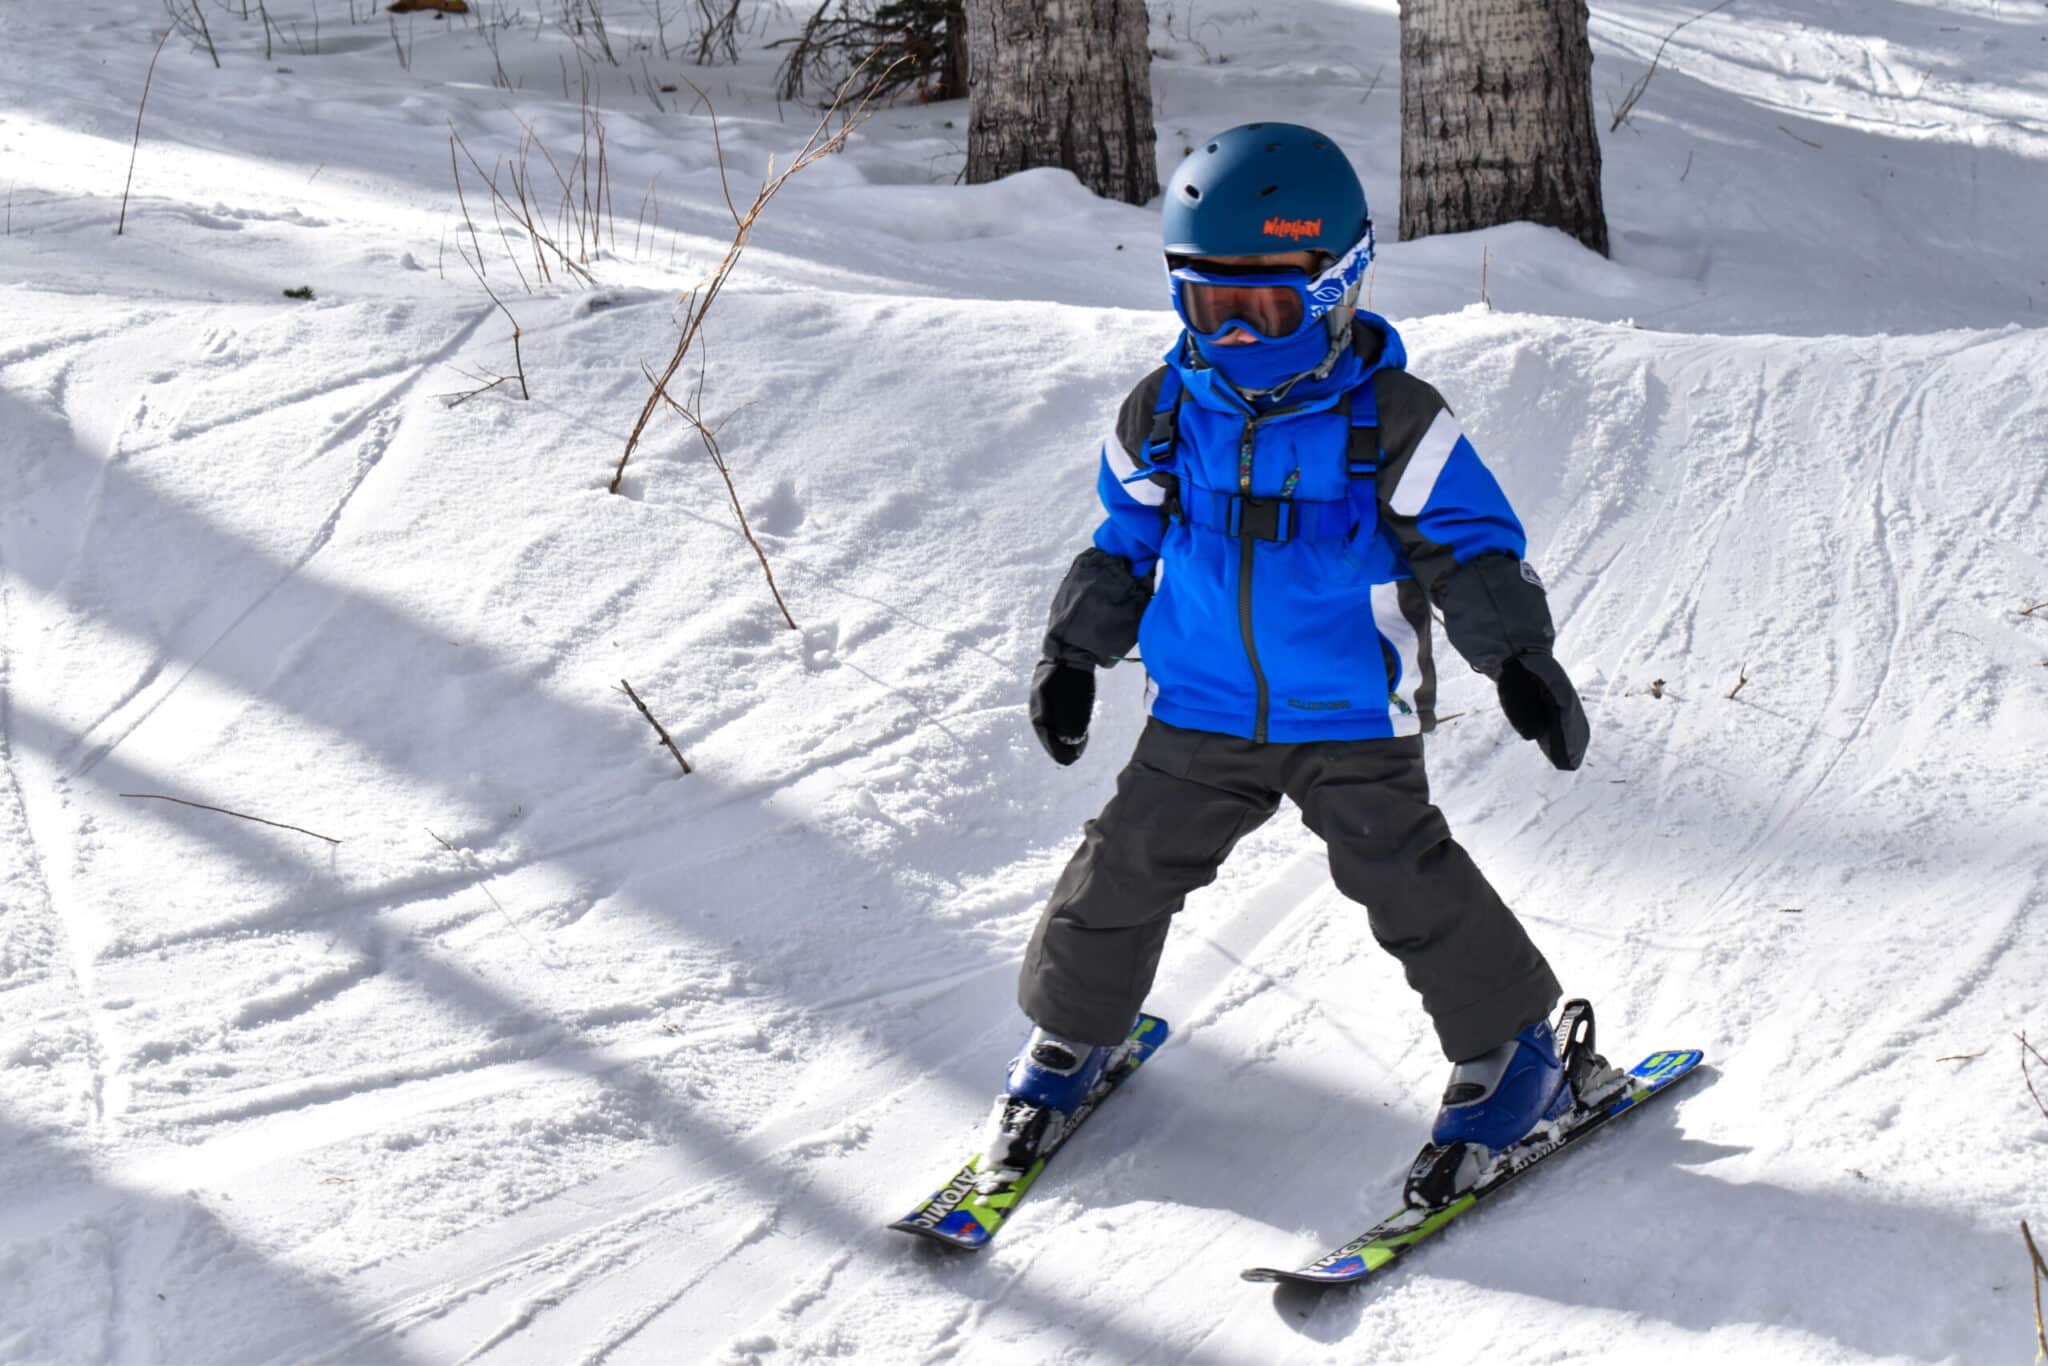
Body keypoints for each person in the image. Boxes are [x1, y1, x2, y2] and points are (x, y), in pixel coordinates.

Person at [983, 122, 1594, 1207]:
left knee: (1402, 876)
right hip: (1201, 710)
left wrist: (1519, 662)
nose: (1237, 330)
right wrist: (1074, 648)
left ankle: (1519, 1053)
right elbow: (1122, 541)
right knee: (1117, 868)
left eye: (1266, 303)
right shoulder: (1165, 411)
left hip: (1349, 711)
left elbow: (1470, 550)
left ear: (1337, 283)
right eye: (1210, 302)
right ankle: (1072, 1037)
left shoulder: (1396, 420)